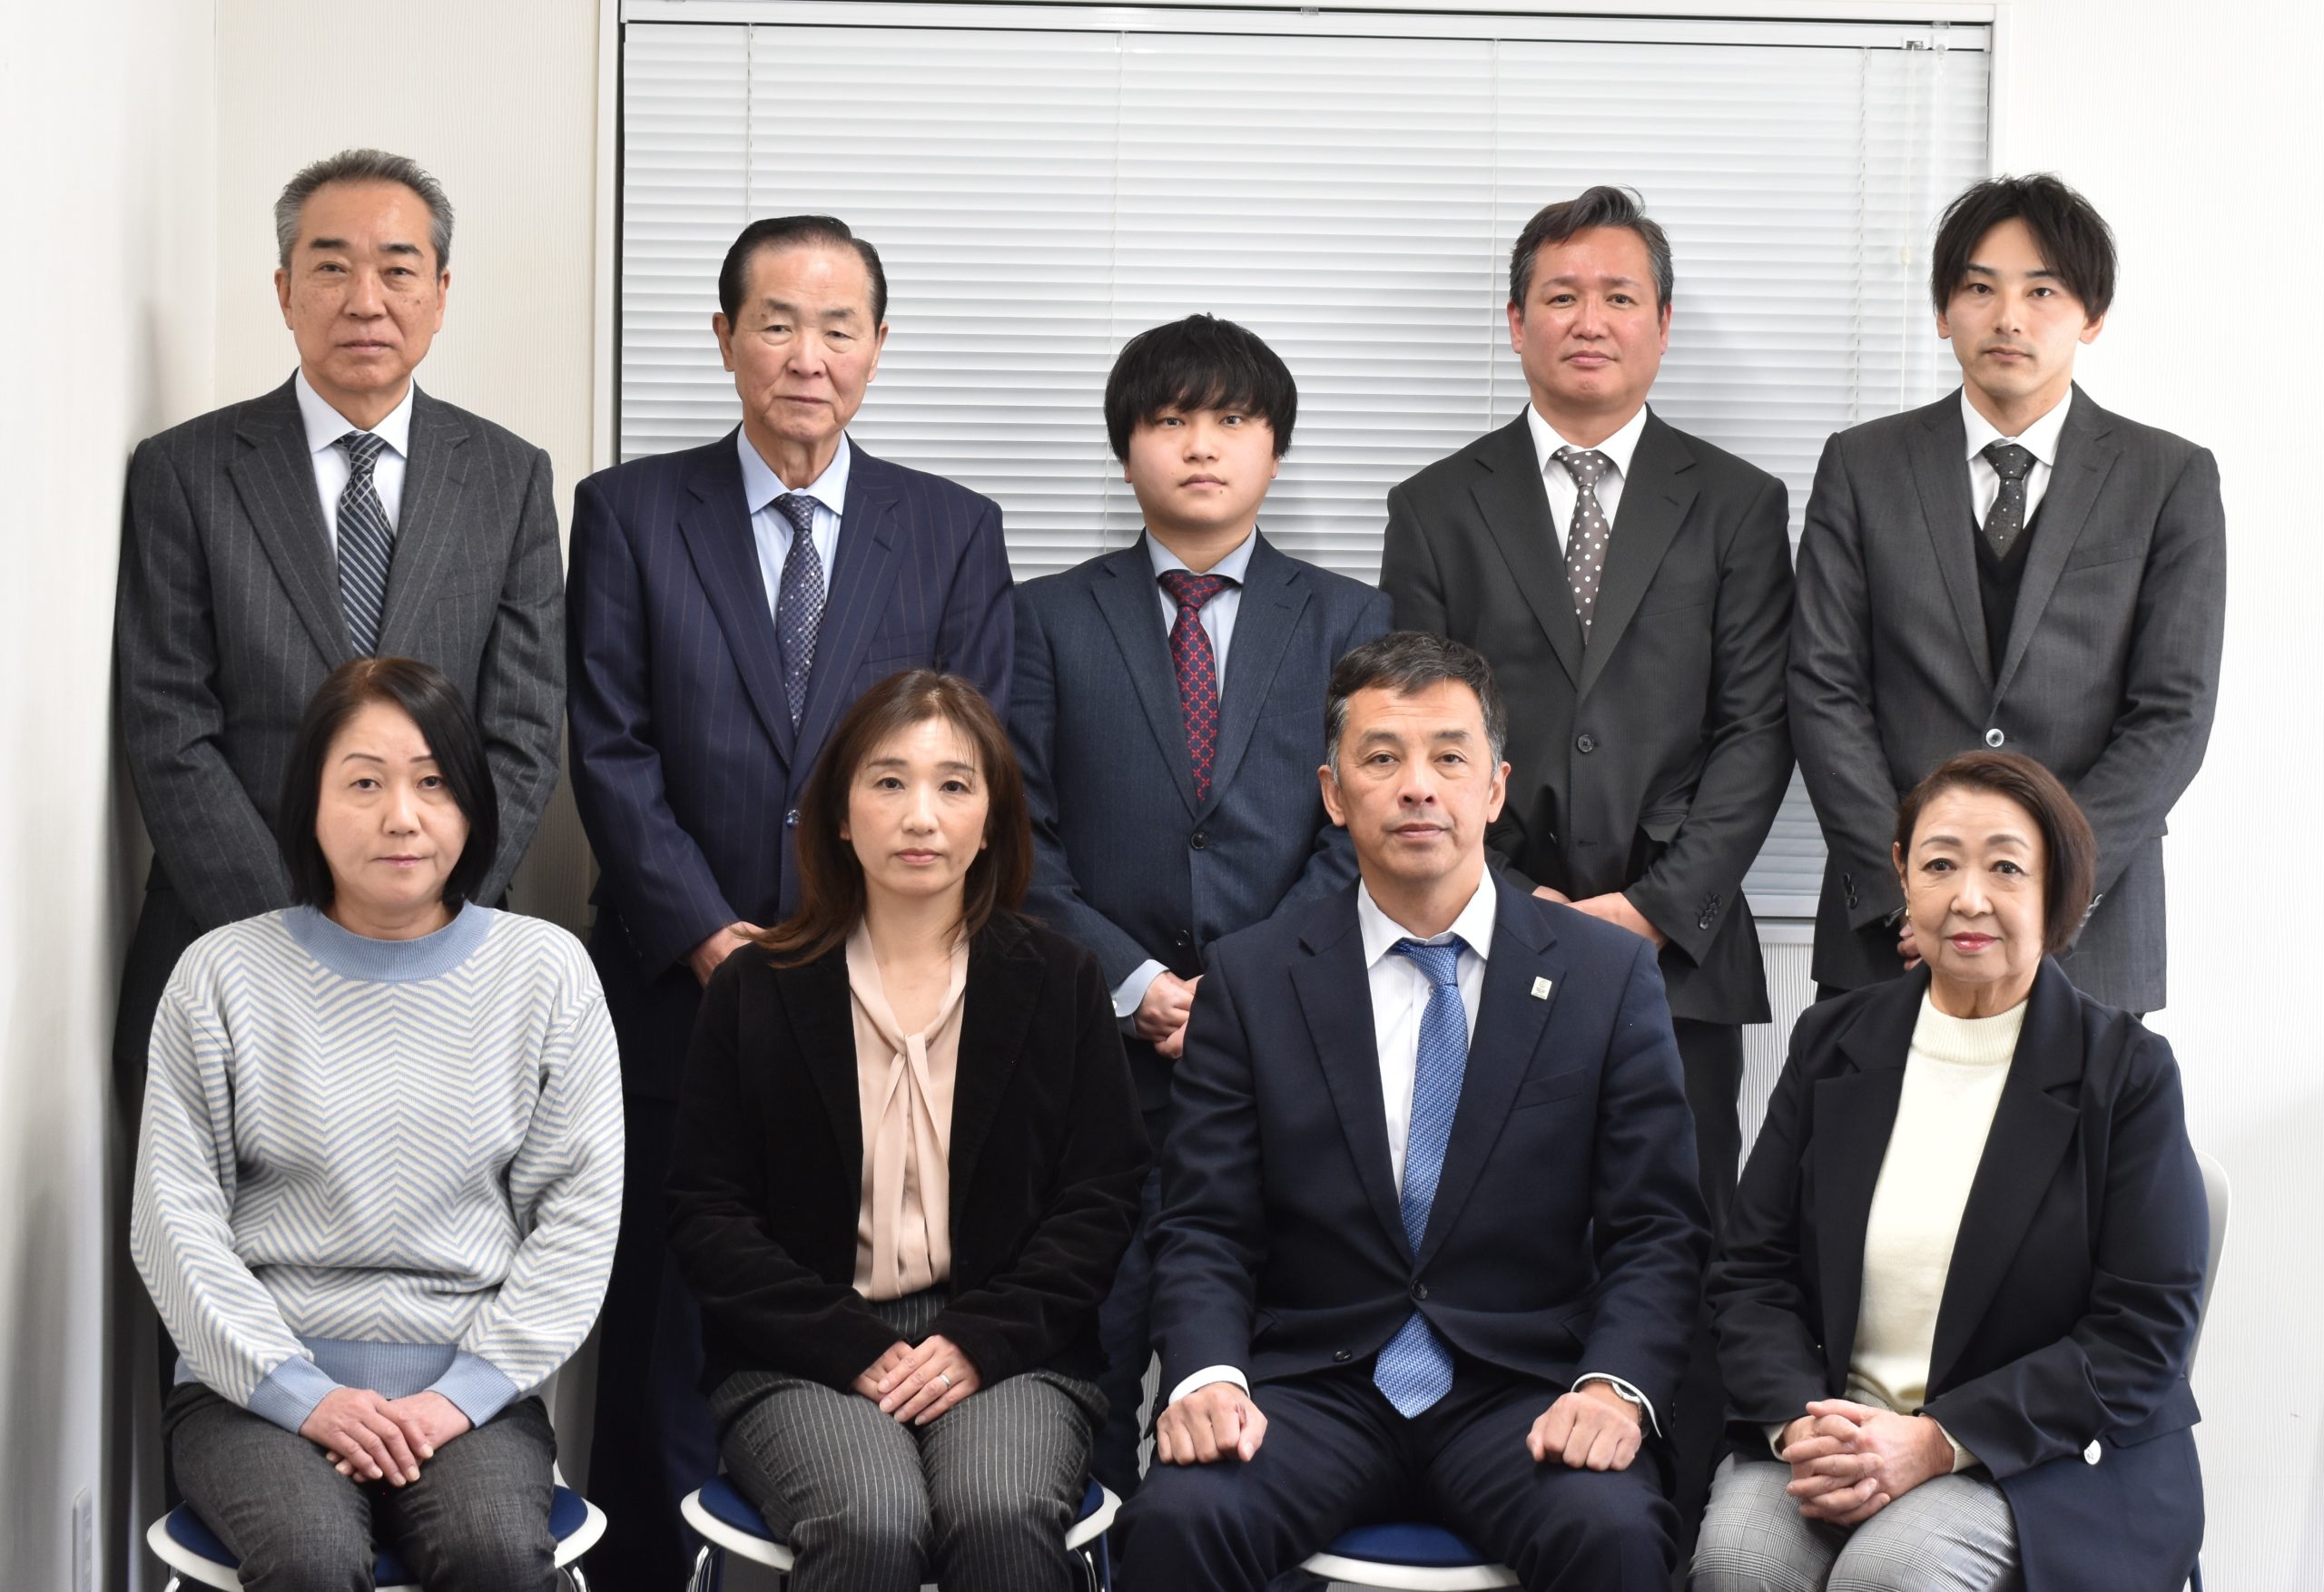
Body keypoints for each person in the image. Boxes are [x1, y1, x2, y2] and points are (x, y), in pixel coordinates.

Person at [567, 214, 1015, 1587]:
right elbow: (609, 744)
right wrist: (710, 933)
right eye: (775, 323)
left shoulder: (951, 529)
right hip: (675, 980)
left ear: (876, 347)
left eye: (837, 327)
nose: (805, 356)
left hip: (886, 993)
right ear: (724, 338)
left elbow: (972, 758)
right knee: (660, 1303)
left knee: (849, 1284)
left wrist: (850, 946)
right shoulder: (630, 511)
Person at [1115, 632, 1710, 1592]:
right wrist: (1208, 1375)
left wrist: (1613, 1386)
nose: (1418, 787)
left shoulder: (1605, 976)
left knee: (1612, 1533)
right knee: (1180, 1521)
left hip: (1522, 1389)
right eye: (1382, 757)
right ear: (1333, 793)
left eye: (1449, 757)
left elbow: (1657, 1228)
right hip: (1315, 1388)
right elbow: (1204, 1225)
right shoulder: (1254, 978)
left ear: (1495, 788)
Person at [1379, 183, 1794, 1537]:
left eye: (1619, 296)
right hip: (1484, 942)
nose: (1589, 320)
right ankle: (1520, 1505)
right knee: (1499, 1227)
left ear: (1662, 324)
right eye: (1561, 296)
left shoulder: (1737, 502)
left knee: (1687, 1234)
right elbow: (1422, 730)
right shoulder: (1437, 505)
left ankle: (1675, 1532)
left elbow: (1759, 729)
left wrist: (1655, 907)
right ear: (1515, 322)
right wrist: (1513, 906)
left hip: (1679, 954)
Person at [131, 657, 622, 1592]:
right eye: (364, 783)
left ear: (471, 804)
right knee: (310, 1557)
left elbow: (577, 1221)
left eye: (433, 782)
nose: (402, 815)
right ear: (309, 805)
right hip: (254, 1392)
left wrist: (458, 1396)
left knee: (492, 1548)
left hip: (471, 1392)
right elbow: (174, 1222)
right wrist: (303, 1395)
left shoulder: (546, 973)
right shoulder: (220, 975)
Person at [1009, 312, 1392, 1499]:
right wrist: (1138, 986)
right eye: (1169, 420)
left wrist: (1238, 988)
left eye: (1230, 419)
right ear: (1126, 446)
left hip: (1283, 1057)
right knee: (1089, 1357)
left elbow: (1360, 830)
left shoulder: (1351, 619)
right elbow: (1021, 838)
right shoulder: (1044, 617)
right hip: (1097, 1063)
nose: (1200, 445)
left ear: (1275, 446)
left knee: (1255, 1381)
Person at [666, 669, 1146, 1591]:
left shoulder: (1060, 979)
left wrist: (977, 1340)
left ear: (992, 821)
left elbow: (1100, 1199)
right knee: (872, 1521)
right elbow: (707, 1213)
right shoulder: (756, 986)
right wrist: (847, 1344)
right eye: (888, 781)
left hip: (1008, 1346)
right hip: (802, 1351)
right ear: (840, 816)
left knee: (998, 1510)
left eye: (954, 785)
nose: (920, 816)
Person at [114, 147, 564, 1110]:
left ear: (440, 294)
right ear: (284, 291)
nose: (366, 301)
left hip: (453, 956)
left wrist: (423, 909)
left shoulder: (510, 476)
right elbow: (168, 724)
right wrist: (296, 933)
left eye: (398, 269)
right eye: (331, 267)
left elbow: (523, 730)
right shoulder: (185, 470)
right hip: (224, 946)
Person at [1694, 750, 2206, 1592]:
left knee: (1891, 1573)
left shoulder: (2127, 1074)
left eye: (2006, 867)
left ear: (2055, 885)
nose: (1969, 897)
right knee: (1741, 1562)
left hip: (2035, 1457)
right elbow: (1751, 1270)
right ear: (1902, 874)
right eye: (1939, 865)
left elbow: (2142, 1332)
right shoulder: (1832, 1044)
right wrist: (1799, 1426)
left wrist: (1935, 1441)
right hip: (1835, 1425)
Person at [1790, 173, 2226, 1014]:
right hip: (1890, 939)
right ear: (1943, 309)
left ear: (2092, 315)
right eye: (1980, 288)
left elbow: (2173, 714)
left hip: (2088, 939)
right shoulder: (1862, 465)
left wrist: (2049, 890)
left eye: (2043, 291)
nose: (2009, 318)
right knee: (1873, 1109)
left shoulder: (2168, 478)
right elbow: (1823, 687)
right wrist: (1910, 890)